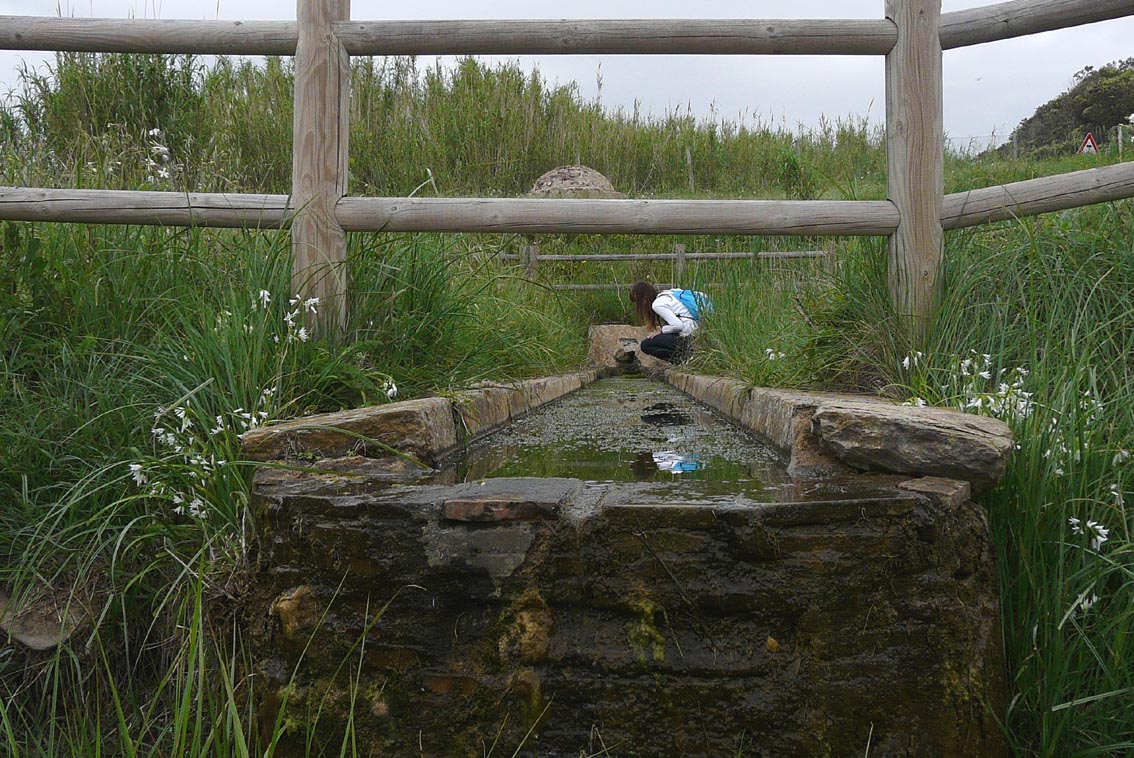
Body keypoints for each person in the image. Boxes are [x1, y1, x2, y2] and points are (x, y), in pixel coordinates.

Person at [629, 280, 705, 364]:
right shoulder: (670, 294)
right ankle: (686, 357)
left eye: (639, 302)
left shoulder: (657, 304)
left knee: (646, 345)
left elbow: (678, 326)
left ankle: (685, 359)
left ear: (644, 298)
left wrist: (662, 331)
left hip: (688, 337)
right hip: (698, 333)